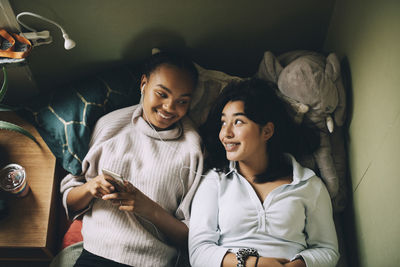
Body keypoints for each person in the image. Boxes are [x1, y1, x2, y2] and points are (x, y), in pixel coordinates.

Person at [60, 51, 204, 267]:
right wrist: (91, 187)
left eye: (182, 101)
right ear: (144, 84)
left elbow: (189, 237)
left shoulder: (192, 149)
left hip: (151, 262)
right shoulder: (109, 126)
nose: (169, 108)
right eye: (162, 94)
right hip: (95, 254)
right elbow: (70, 202)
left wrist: (147, 208)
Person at [189, 78, 339, 267]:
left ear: (267, 131)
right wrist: (254, 264)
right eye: (223, 122)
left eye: (238, 122)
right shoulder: (215, 181)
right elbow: (198, 252)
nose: (225, 133)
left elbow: (328, 250)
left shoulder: (309, 184)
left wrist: (297, 265)